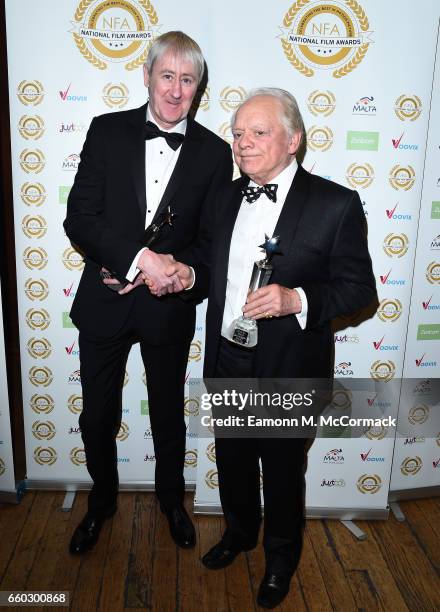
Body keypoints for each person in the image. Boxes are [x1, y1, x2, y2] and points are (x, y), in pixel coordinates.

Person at [187, 88, 377, 608]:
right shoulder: (225, 197)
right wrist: (182, 272)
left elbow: (361, 290)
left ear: (293, 139)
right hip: (227, 356)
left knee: (283, 469)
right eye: (238, 134)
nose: (243, 144)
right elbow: (210, 267)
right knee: (232, 459)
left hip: (289, 366)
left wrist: (297, 298)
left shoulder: (335, 203)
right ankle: (239, 534)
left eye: (258, 132)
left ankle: (281, 557)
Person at [64, 31, 232, 555]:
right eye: (167, 76)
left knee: (166, 413)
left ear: (198, 87)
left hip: (168, 310)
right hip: (104, 300)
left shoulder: (215, 152)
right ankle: (102, 501)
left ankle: (171, 501)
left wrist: (182, 272)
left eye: (188, 80)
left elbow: (212, 243)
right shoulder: (107, 131)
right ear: (147, 75)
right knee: (97, 415)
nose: (176, 90)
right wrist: (139, 260)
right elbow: (80, 219)